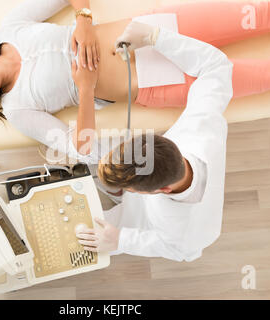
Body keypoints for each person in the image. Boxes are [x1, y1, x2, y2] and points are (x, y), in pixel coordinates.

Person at [0, 0, 270, 163]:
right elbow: (82, 149)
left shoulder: (13, 26)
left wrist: (83, 20)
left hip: (159, 30)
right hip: (160, 82)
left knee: (268, 12)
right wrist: (85, 89)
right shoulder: (18, 110)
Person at [75, 21, 234, 261]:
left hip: (142, 223)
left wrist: (120, 240)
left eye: (128, 188)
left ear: (162, 190)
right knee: (84, 153)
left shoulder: (184, 231)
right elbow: (217, 67)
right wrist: (156, 37)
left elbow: (179, 250)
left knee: (81, 241)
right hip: (148, 194)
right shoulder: (200, 127)